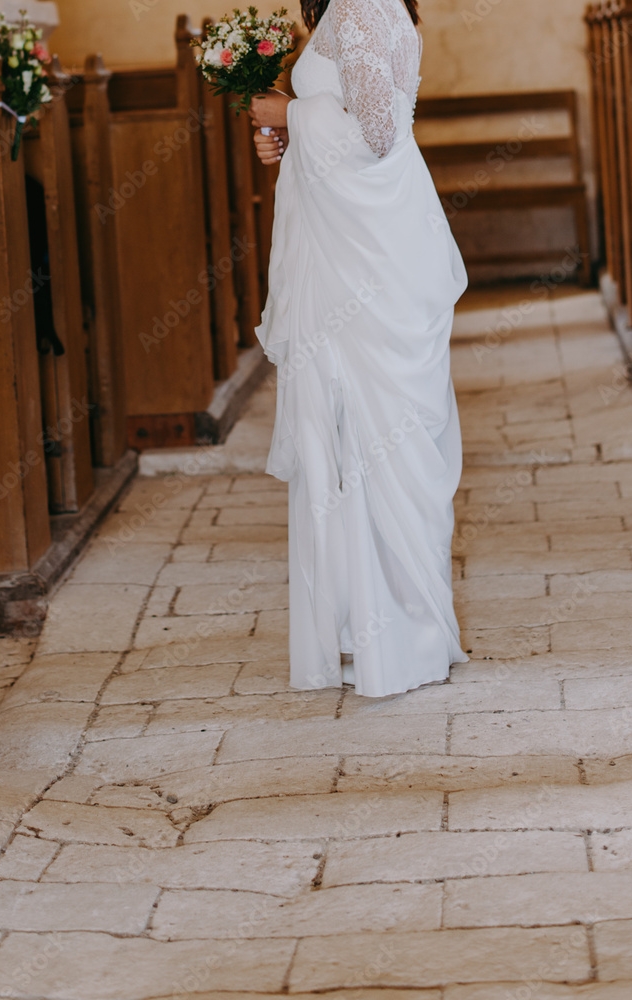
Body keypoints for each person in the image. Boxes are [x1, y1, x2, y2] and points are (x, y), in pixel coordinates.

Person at [248, 0, 469, 697]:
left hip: (368, 261)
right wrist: (280, 138)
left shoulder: (362, 6)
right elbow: (354, 115)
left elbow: (378, 134)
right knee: (344, 433)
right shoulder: (351, 8)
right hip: (348, 249)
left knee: (375, 431)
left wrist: (284, 115)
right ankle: (359, 630)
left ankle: (400, 636)